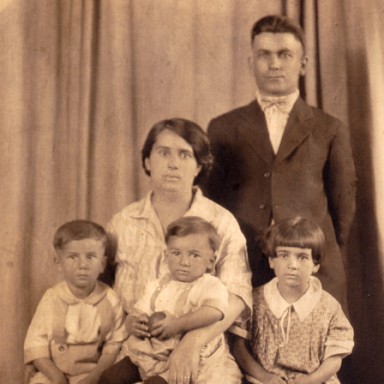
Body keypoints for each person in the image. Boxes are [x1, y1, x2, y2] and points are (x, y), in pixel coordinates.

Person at [203, 15, 356, 308]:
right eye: (264, 55)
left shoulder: (330, 128)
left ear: (303, 64)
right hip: (245, 265)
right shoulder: (222, 127)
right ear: (250, 63)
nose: (274, 64)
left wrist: (314, 249)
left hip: (313, 266)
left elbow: (343, 208)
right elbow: (212, 202)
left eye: (284, 55)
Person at [102, 118, 252, 384]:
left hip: (203, 354)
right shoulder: (122, 223)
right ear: (147, 161)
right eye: (163, 153)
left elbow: (237, 295)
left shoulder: (220, 221)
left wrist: (192, 341)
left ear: (199, 166)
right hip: (137, 353)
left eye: (184, 154)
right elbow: (104, 293)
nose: (172, 164)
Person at [100, 216, 242, 383]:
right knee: (109, 377)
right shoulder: (158, 285)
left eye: (194, 255)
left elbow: (215, 312)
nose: (184, 262)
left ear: (211, 261)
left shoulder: (209, 285)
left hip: (185, 360)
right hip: (150, 353)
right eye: (176, 253)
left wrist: (178, 324)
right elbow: (138, 311)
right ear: (166, 256)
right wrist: (133, 323)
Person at [233, 217, 354, 384]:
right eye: (283, 255)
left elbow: (334, 360)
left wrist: (311, 380)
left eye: (302, 257)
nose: (293, 265)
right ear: (271, 261)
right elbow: (238, 347)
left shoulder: (329, 307)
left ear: (316, 264)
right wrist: (265, 377)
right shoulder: (254, 301)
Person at [24, 220, 127, 384]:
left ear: (102, 264)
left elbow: (113, 346)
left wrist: (93, 377)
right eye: (73, 257)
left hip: (92, 374)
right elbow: (36, 345)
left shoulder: (110, 299)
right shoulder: (52, 298)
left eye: (91, 257)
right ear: (59, 263)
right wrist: (56, 377)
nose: (82, 265)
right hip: (53, 373)